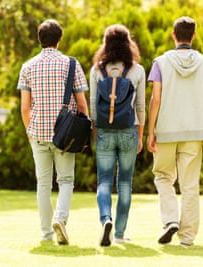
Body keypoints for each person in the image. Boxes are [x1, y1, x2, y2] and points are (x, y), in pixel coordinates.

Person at [17, 19, 89, 245]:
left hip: (38, 133)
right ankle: (60, 219)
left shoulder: (27, 66)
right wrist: (84, 130)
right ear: (60, 39)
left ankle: (46, 233)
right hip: (65, 135)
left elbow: (25, 108)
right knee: (66, 180)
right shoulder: (71, 64)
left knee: (43, 185)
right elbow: (82, 104)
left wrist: (30, 132)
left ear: (40, 40)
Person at [146, 16, 203, 246]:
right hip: (195, 132)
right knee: (190, 185)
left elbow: (155, 99)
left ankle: (170, 221)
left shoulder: (160, 63)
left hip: (166, 129)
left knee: (163, 177)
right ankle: (186, 238)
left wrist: (150, 131)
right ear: (193, 36)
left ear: (173, 35)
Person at [90, 24, 145, 246]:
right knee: (125, 183)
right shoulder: (136, 70)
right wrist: (140, 135)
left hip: (104, 131)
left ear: (106, 44)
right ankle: (120, 233)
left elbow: (94, 105)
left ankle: (106, 220)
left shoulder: (97, 70)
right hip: (128, 130)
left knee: (104, 180)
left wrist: (96, 131)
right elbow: (141, 106)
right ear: (128, 43)